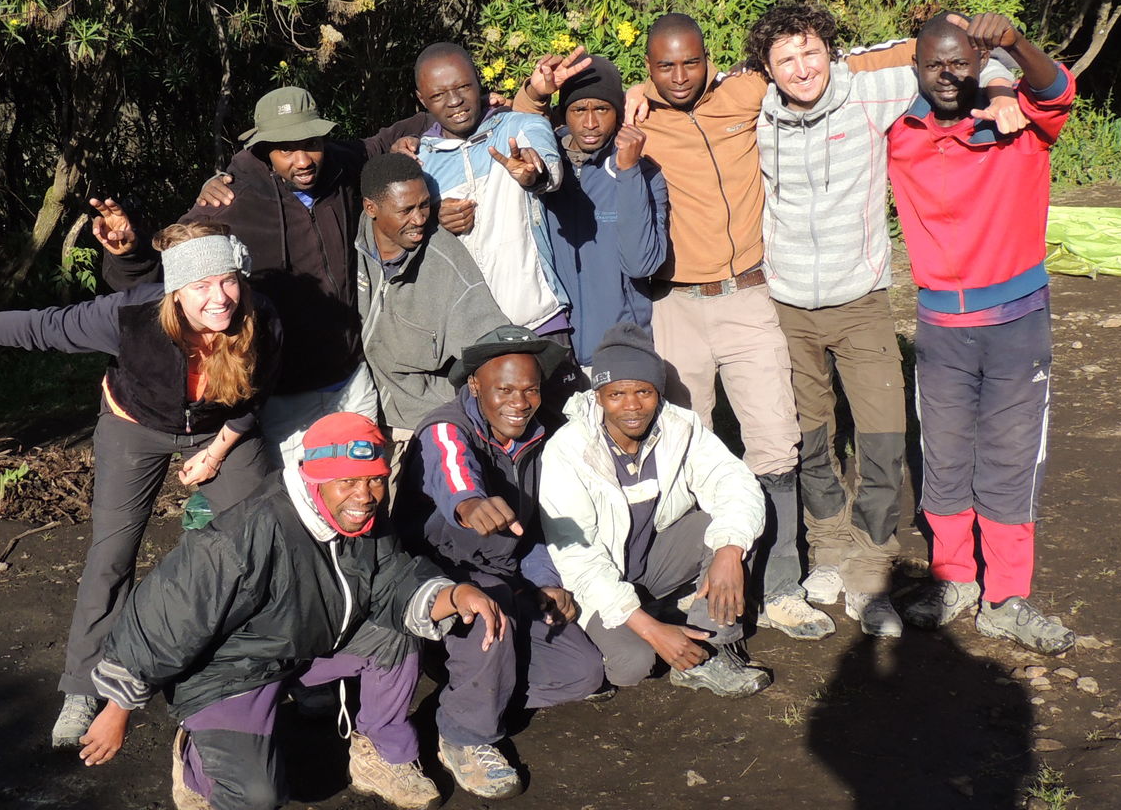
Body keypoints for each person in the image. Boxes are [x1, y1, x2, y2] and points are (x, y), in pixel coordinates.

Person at [0, 222, 282, 747]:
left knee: (257, 536)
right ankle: (83, 685)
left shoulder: (262, 318)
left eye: (228, 281)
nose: (219, 298)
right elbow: (41, 326)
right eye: (201, 286)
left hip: (218, 430)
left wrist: (215, 454)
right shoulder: (130, 316)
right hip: (134, 424)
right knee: (112, 555)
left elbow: (257, 396)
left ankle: (256, 662)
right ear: (176, 288)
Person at [748, 3, 1019, 637]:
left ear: (832, 51)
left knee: (881, 438)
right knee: (810, 438)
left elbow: (964, 46)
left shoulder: (868, 89)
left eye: (811, 51)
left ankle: (871, 570)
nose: (801, 68)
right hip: (786, 305)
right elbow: (683, 93)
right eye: (785, 59)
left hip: (862, 301)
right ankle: (829, 551)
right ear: (768, 67)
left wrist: (1002, 84)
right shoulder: (754, 110)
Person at [75, 412, 506, 810]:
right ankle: (195, 760)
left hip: (303, 644)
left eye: (374, 480)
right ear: (313, 479)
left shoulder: (364, 517)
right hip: (229, 670)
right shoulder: (240, 537)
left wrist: (454, 595)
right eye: (348, 482)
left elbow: (392, 578)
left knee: (397, 632)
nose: (364, 496)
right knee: (258, 797)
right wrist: (118, 709)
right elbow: (166, 619)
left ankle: (383, 753)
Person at [592, 14, 836, 641]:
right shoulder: (635, 120)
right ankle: (701, 585)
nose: (679, 77)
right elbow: (546, 118)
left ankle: (780, 585)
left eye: (691, 63)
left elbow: (825, 69)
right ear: (646, 69)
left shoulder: (745, 92)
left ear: (711, 60)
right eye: (664, 67)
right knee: (683, 448)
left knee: (776, 444)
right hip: (673, 305)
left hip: (748, 296)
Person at [93, 86, 422, 463]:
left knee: (358, 488)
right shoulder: (231, 200)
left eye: (311, 143)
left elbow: (385, 139)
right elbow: (164, 276)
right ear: (265, 149)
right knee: (291, 504)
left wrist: (468, 109)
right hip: (279, 393)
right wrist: (129, 253)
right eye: (285, 149)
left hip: (350, 378)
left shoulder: (342, 166)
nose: (302, 160)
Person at [886, 12, 1077, 655]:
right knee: (942, 458)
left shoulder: (1018, 122)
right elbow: (830, 76)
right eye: (935, 63)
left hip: (1018, 326)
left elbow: (1056, 90)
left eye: (961, 62)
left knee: (1009, 460)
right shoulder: (899, 133)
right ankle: (953, 579)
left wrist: (1015, 44)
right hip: (941, 327)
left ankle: (1007, 596)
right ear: (916, 69)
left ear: (977, 63)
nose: (948, 75)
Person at [403, 325, 604, 800]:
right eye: (505, 389)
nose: (519, 401)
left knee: (583, 671)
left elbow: (535, 531)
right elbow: (454, 474)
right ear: (475, 385)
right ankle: (464, 735)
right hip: (439, 573)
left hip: (507, 572)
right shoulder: (446, 428)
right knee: (489, 616)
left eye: (530, 389)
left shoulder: (546, 435)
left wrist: (545, 582)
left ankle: (474, 687)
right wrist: (470, 504)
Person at [538, 323, 770, 695]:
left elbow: (733, 481)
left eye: (643, 392)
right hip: (596, 582)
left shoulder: (680, 426)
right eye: (617, 394)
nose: (632, 406)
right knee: (633, 664)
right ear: (598, 395)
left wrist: (728, 550)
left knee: (731, 526)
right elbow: (579, 559)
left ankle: (712, 647)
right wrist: (648, 629)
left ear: (657, 393)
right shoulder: (568, 450)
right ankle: (645, 625)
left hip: (652, 561)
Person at [411, 42, 572, 340]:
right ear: (422, 100)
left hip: (541, 322)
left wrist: (533, 176)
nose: (455, 101)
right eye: (437, 95)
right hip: (469, 335)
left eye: (463, 86)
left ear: (479, 82)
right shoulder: (421, 161)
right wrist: (436, 221)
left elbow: (551, 173)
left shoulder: (521, 126)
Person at [525, 53, 671, 369]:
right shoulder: (543, 170)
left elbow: (641, 263)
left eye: (602, 110)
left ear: (618, 114)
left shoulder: (645, 174)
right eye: (579, 110)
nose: (590, 123)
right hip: (555, 348)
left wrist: (628, 172)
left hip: (622, 348)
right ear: (564, 115)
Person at [354, 151, 509, 439]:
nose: (420, 219)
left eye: (425, 205)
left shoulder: (445, 260)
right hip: (357, 412)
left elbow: (490, 345)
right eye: (406, 210)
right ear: (371, 208)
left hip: (421, 422)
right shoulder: (349, 243)